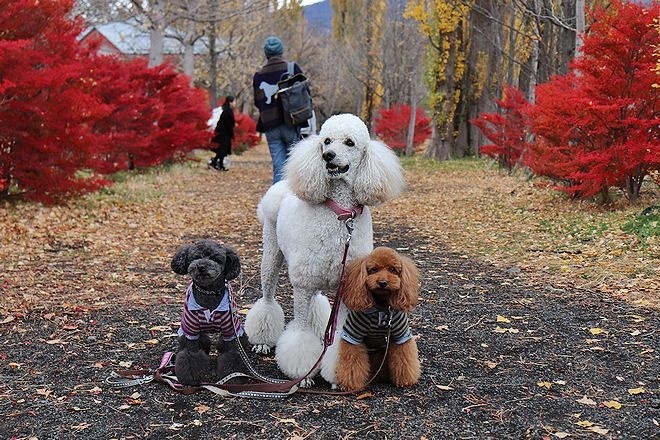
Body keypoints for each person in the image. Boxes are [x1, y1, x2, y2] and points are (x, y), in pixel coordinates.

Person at [253, 36, 303, 183]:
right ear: (281, 51)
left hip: (270, 126)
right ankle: (293, 201)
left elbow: (258, 102)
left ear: (266, 53)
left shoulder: (258, 76)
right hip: (291, 122)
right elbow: (304, 94)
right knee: (294, 165)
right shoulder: (292, 69)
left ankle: (279, 200)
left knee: (278, 165)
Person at [209, 96, 235, 171]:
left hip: (222, 133)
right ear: (230, 102)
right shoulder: (227, 111)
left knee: (222, 150)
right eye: (234, 101)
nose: (235, 103)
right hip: (223, 134)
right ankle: (218, 164)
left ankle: (216, 163)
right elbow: (229, 124)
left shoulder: (226, 110)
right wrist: (232, 133)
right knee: (222, 150)